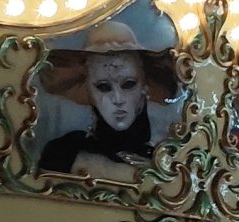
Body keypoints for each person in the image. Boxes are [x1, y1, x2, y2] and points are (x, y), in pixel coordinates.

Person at [34, 20, 182, 181]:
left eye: (128, 85)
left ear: (144, 87)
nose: (118, 100)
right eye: (103, 87)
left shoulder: (165, 160)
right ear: (88, 91)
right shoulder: (63, 153)